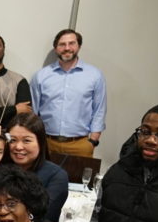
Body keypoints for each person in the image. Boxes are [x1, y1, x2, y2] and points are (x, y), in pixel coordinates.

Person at [30, 28, 106, 158]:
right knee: (43, 178)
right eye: (62, 44)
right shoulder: (41, 76)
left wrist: (93, 140)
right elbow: (33, 112)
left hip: (80, 145)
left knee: (79, 179)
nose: (67, 48)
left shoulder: (94, 75)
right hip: (47, 143)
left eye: (72, 43)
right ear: (56, 48)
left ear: (79, 46)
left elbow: (99, 109)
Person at [0, 112, 68, 222]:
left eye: (26, 141)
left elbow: (40, 219)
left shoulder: (56, 176)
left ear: (40, 142)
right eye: (12, 140)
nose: (18, 147)